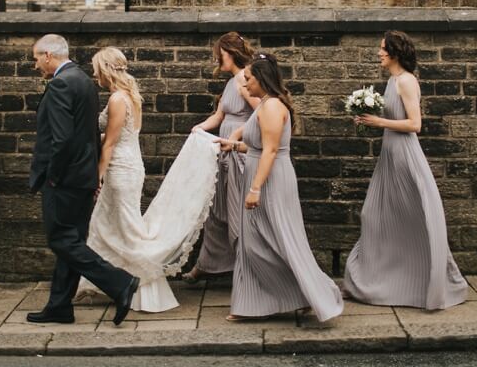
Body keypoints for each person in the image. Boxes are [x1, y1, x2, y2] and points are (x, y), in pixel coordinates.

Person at [78, 47, 220, 311]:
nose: (94, 72)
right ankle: (94, 283)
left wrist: (96, 177)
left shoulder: (118, 100)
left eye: (96, 67)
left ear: (106, 68)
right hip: (129, 165)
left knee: (127, 230)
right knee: (105, 224)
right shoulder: (129, 96)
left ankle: (141, 287)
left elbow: (110, 144)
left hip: (120, 169)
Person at [343, 31, 468, 309]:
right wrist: (367, 117)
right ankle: (370, 281)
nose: (379, 53)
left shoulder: (407, 81)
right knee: (373, 215)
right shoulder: (392, 80)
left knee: (411, 218)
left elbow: (415, 125)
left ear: (395, 53)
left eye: (382, 49)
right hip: (389, 156)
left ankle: (421, 282)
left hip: (404, 156)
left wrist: (379, 122)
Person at [222, 54, 343, 323]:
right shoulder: (264, 104)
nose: (245, 84)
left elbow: (272, 151)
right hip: (260, 174)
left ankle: (311, 293)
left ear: (262, 79)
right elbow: (256, 147)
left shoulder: (274, 107)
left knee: (278, 239)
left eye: (249, 79)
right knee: (254, 241)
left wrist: (255, 189)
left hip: (271, 180)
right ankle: (252, 303)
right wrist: (233, 145)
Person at [27, 34, 138, 326]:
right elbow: (86, 132)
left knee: (61, 240)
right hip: (83, 175)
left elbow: (61, 140)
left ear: (49, 55)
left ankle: (119, 282)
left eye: (37, 57)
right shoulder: (83, 80)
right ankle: (60, 306)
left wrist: (53, 176)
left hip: (65, 179)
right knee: (71, 240)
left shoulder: (63, 82)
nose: (36, 64)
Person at [184, 32, 257, 282]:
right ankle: (207, 264)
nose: (217, 59)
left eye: (220, 54)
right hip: (224, 152)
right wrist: (200, 127)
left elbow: (262, 113)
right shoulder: (230, 83)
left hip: (240, 153)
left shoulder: (243, 81)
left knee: (235, 211)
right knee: (216, 211)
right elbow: (219, 116)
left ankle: (246, 268)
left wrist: (238, 136)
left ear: (230, 53)